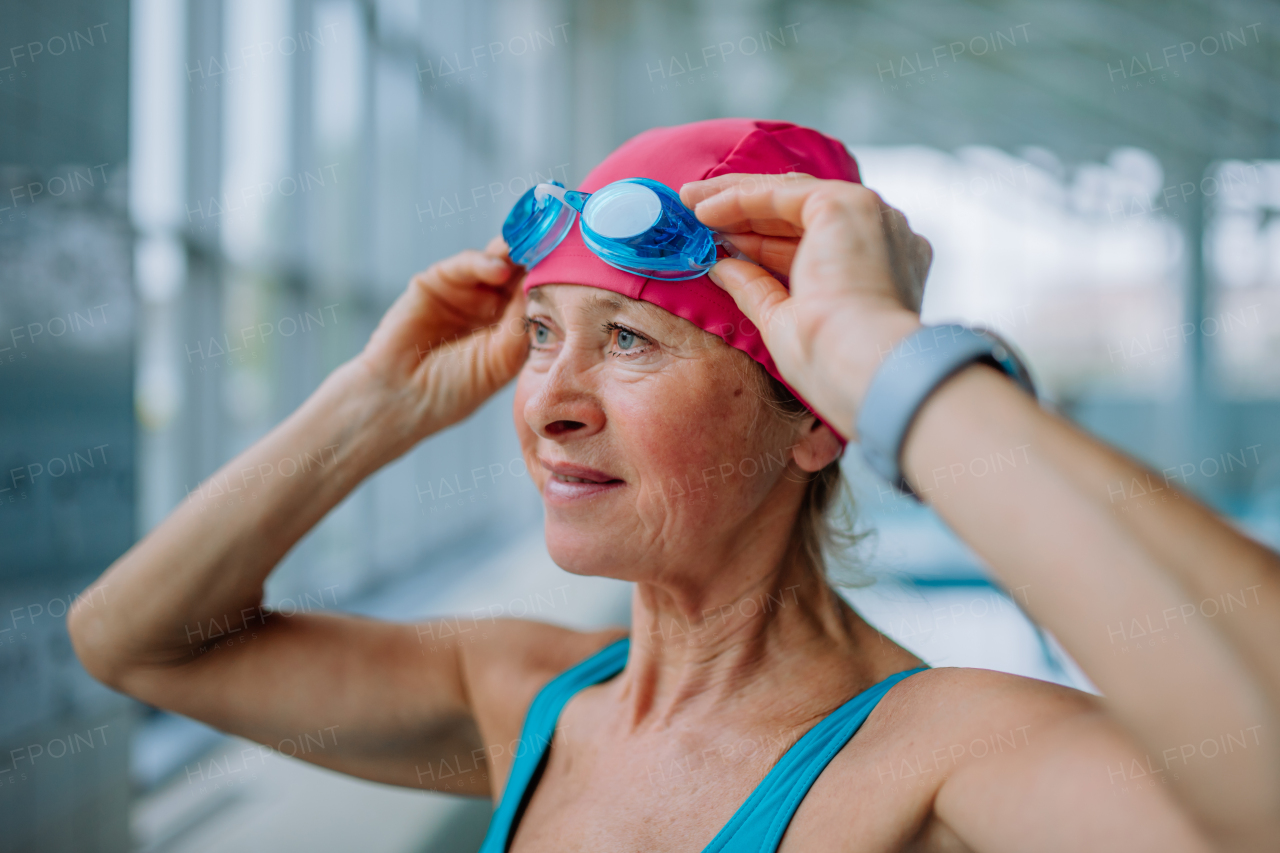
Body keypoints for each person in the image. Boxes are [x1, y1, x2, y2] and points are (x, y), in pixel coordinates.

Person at [67, 119, 1276, 852]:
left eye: (631, 341)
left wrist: (887, 360)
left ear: (813, 422)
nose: (548, 401)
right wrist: (372, 406)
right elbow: (138, 643)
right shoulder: (520, 699)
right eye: (541, 333)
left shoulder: (943, 759)